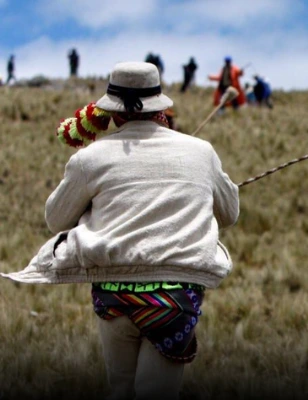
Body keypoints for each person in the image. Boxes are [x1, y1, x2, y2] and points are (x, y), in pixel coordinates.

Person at [1, 61, 240, 400]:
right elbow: (229, 213)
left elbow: (56, 219)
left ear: (112, 111)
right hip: (173, 299)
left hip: (113, 293)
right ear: (160, 105)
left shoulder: (90, 158)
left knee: (122, 390)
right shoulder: (201, 152)